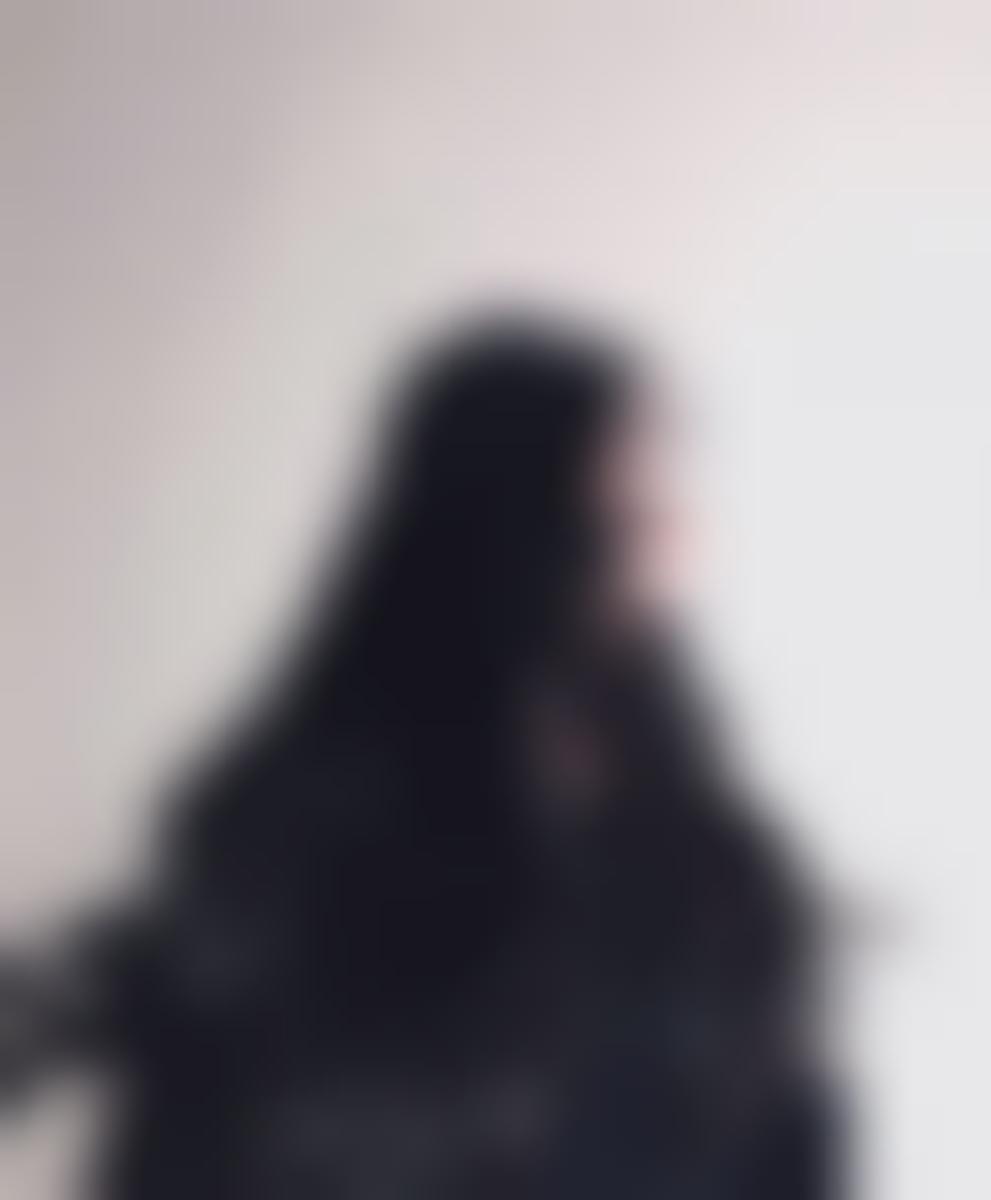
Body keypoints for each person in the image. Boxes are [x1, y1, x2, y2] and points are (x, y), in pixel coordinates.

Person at [5, 316, 843, 1198]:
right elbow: (187, 1121)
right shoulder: (310, 831)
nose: (665, 538)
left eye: (662, 502)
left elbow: (782, 1136)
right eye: (620, 511)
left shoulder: (709, 862)